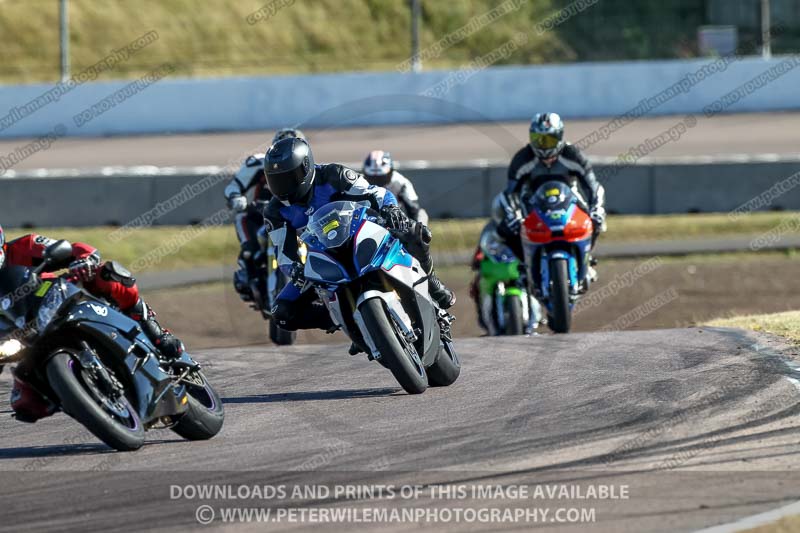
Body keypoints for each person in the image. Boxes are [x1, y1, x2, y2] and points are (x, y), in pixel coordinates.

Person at [262, 137, 455, 335]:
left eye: (288, 178)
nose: (283, 187)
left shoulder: (333, 174)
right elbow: (283, 253)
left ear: (305, 167)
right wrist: (294, 269)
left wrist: (390, 208)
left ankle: (432, 284)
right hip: (325, 258)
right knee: (281, 312)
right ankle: (347, 322)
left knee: (415, 231)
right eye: (276, 180)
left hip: (363, 233)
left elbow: (376, 193)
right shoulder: (274, 211)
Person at [0, 228, 183, 422]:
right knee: (25, 403)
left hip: (58, 302)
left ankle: (155, 332)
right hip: (28, 339)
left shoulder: (24, 246)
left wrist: (84, 260)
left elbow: (75, 249)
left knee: (106, 274)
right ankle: (77, 397)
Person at [498, 112, 606, 268]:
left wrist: (596, 209)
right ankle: (525, 266)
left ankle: (585, 260)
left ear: (560, 137)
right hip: (533, 202)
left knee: (596, 221)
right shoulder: (522, 159)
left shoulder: (573, 155)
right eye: (538, 139)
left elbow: (593, 187)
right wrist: (512, 215)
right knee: (507, 228)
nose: (543, 145)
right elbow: (509, 193)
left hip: (570, 199)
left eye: (549, 140)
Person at [224, 128, 306, 300]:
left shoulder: (309, 168)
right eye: (282, 148)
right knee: (249, 246)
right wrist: (236, 197)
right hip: (258, 217)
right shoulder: (257, 163)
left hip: (293, 219)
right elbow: (233, 186)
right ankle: (247, 276)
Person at [362, 150, 429, 225]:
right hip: (367, 219)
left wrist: (414, 226)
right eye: (372, 178)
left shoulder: (400, 182)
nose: (377, 182)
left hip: (396, 220)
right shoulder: (360, 183)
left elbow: (413, 209)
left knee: (421, 215)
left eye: (381, 178)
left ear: (390, 172)